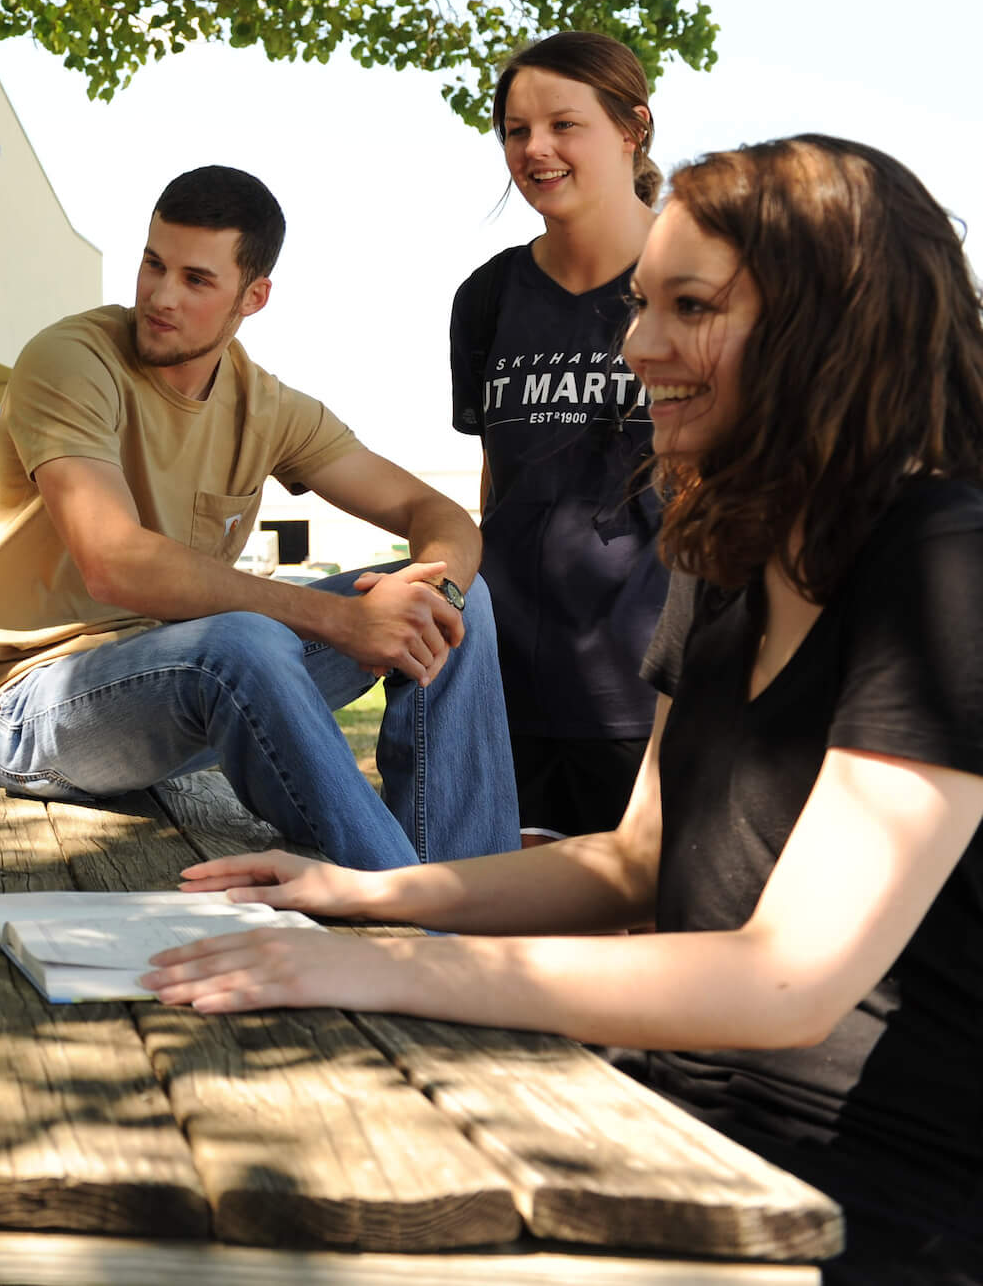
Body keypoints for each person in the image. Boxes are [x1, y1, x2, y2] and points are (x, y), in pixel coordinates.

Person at [153, 137, 983, 1285]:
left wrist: (390, 965)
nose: (636, 345)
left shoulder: (945, 565)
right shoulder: (729, 550)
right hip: (662, 1109)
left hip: (865, 1202)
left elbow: (788, 980)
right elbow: (633, 861)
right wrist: (368, 897)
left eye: (690, 306)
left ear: (834, 326)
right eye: (643, 303)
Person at [0, 165, 518, 871]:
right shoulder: (71, 361)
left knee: (463, 603)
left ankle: (466, 893)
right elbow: (112, 559)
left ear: (254, 295)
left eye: (196, 279)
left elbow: (440, 514)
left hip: (187, 686)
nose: (159, 296)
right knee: (244, 639)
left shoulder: (263, 405)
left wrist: (434, 599)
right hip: (36, 705)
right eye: (153, 264)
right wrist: (337, 619)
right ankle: (401, 904)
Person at [451, 31, 670, 841]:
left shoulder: (708, 283)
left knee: (651, 948)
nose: (534, 148)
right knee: (507, 947)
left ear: (631, 128)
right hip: (505, 703)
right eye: (515, 130)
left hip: (655, 700)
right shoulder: (487, 297)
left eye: (562, 125)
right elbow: (495, 488)